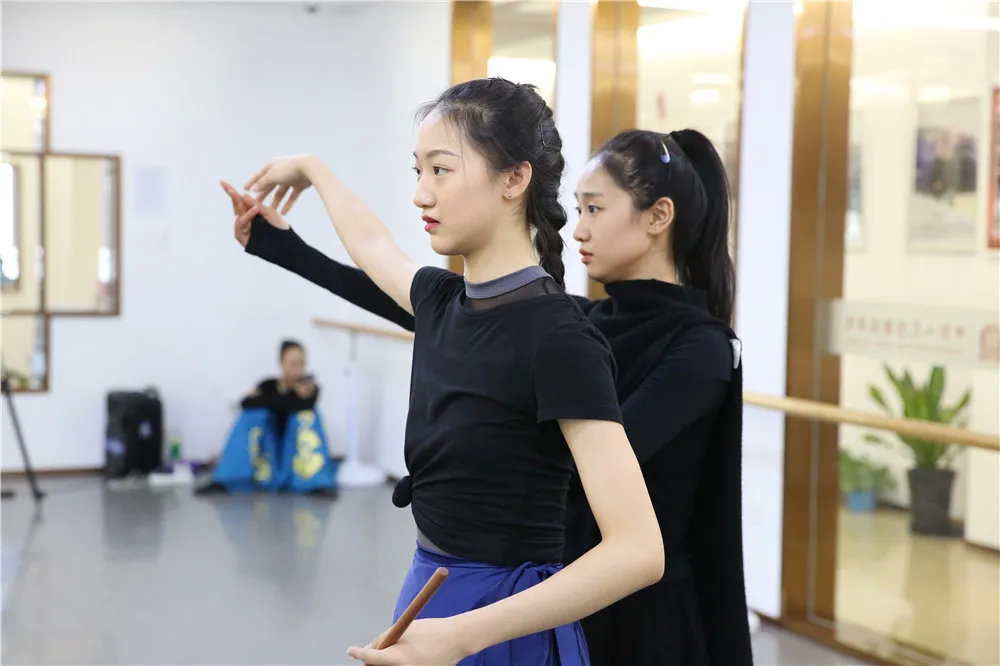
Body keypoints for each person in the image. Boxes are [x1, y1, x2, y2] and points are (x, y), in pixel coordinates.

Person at [234, 127, 752, 665]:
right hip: (551, 595)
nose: (579, 228)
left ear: (658, 216)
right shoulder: (578, 320)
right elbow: (427, 306)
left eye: (595, 209)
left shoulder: (688, 347)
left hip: (639, 618)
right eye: (578, 209)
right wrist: (284, 247)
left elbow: (584, 470)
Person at [197, 340, 339, 496]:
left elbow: (301, 405)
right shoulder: (268, 385)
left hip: (294, 455)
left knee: (307, 416)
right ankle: (227, 480)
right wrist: (289, 398)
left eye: (301, 364)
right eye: (293, 364)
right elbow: (246, 403)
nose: (298, 370)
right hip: (268, 453)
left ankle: (317, 483)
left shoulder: (310, 388)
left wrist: (270, 400)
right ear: (281, 363)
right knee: (252, 416)